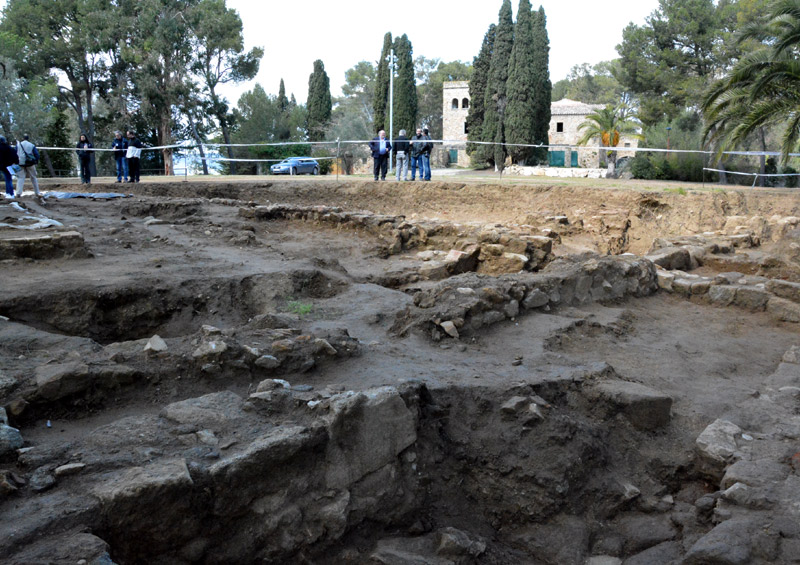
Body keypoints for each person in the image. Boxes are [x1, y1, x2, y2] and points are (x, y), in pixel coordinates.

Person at [16, 134, 42, 200]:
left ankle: (18, 193)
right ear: (28, 138)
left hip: (20, 163)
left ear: (22, 138)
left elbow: (15, 153)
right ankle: (37, 192)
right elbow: (37, 155)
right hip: (30, 163)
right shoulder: (31, 145)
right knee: (33, 177)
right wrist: (35, 161)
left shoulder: (18, 145)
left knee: (20, 178)